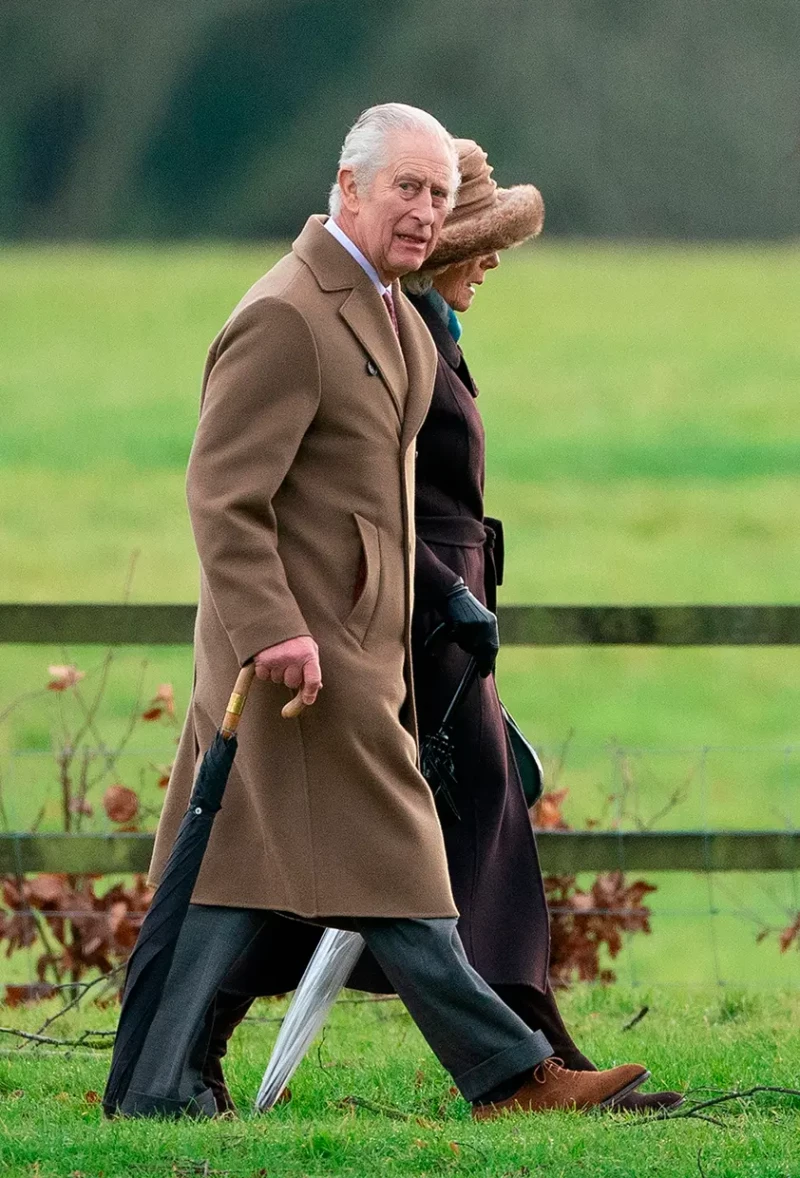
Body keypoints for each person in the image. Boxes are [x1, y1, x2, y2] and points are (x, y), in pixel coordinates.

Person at [114, 104, 649, 1120]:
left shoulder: (388, 314)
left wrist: (439, 594)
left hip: (355, 650)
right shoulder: (285, 313)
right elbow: (222, 495)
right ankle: (511, 1072)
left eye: (438, 194)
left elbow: (381, 503)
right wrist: (274, 626)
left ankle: (155, 1083)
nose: (423, 211)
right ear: (348, 185)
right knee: (401, 862)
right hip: (289, 660)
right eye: (405, 186)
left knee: (235, 874)